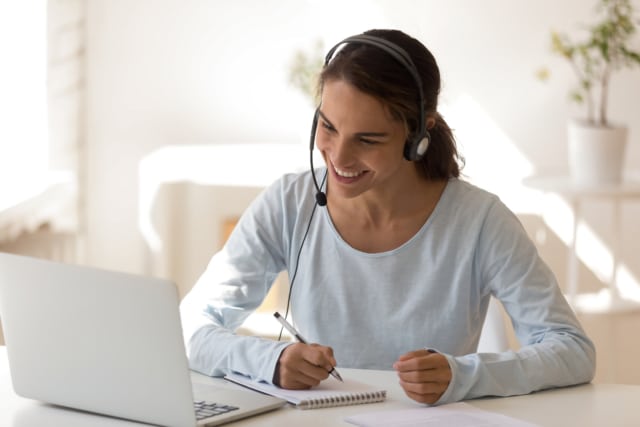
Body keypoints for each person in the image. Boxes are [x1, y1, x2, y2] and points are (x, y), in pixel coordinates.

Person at [179, 29, 596, 405]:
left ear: (418, 135)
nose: (338, 157)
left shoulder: (481, 221)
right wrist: (270, 359)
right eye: (327, 127)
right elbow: (189, 328)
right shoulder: (289, 202)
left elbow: (572, 349)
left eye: (368, 139)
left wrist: (465, 374)